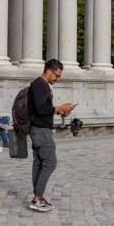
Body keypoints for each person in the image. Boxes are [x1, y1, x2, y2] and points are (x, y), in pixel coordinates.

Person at [28, 59, 75, 213]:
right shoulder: (39, 85)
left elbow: (43, 108)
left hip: (38, 129)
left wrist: (61, 110)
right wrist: (58, 108)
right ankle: (37, 198)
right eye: (57, 75)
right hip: (41, 131)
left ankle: (37, 196)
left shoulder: (42, 86)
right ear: (49, 71)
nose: (57, 79)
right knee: (50, 162)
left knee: (39, 163)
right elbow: (40, 109)